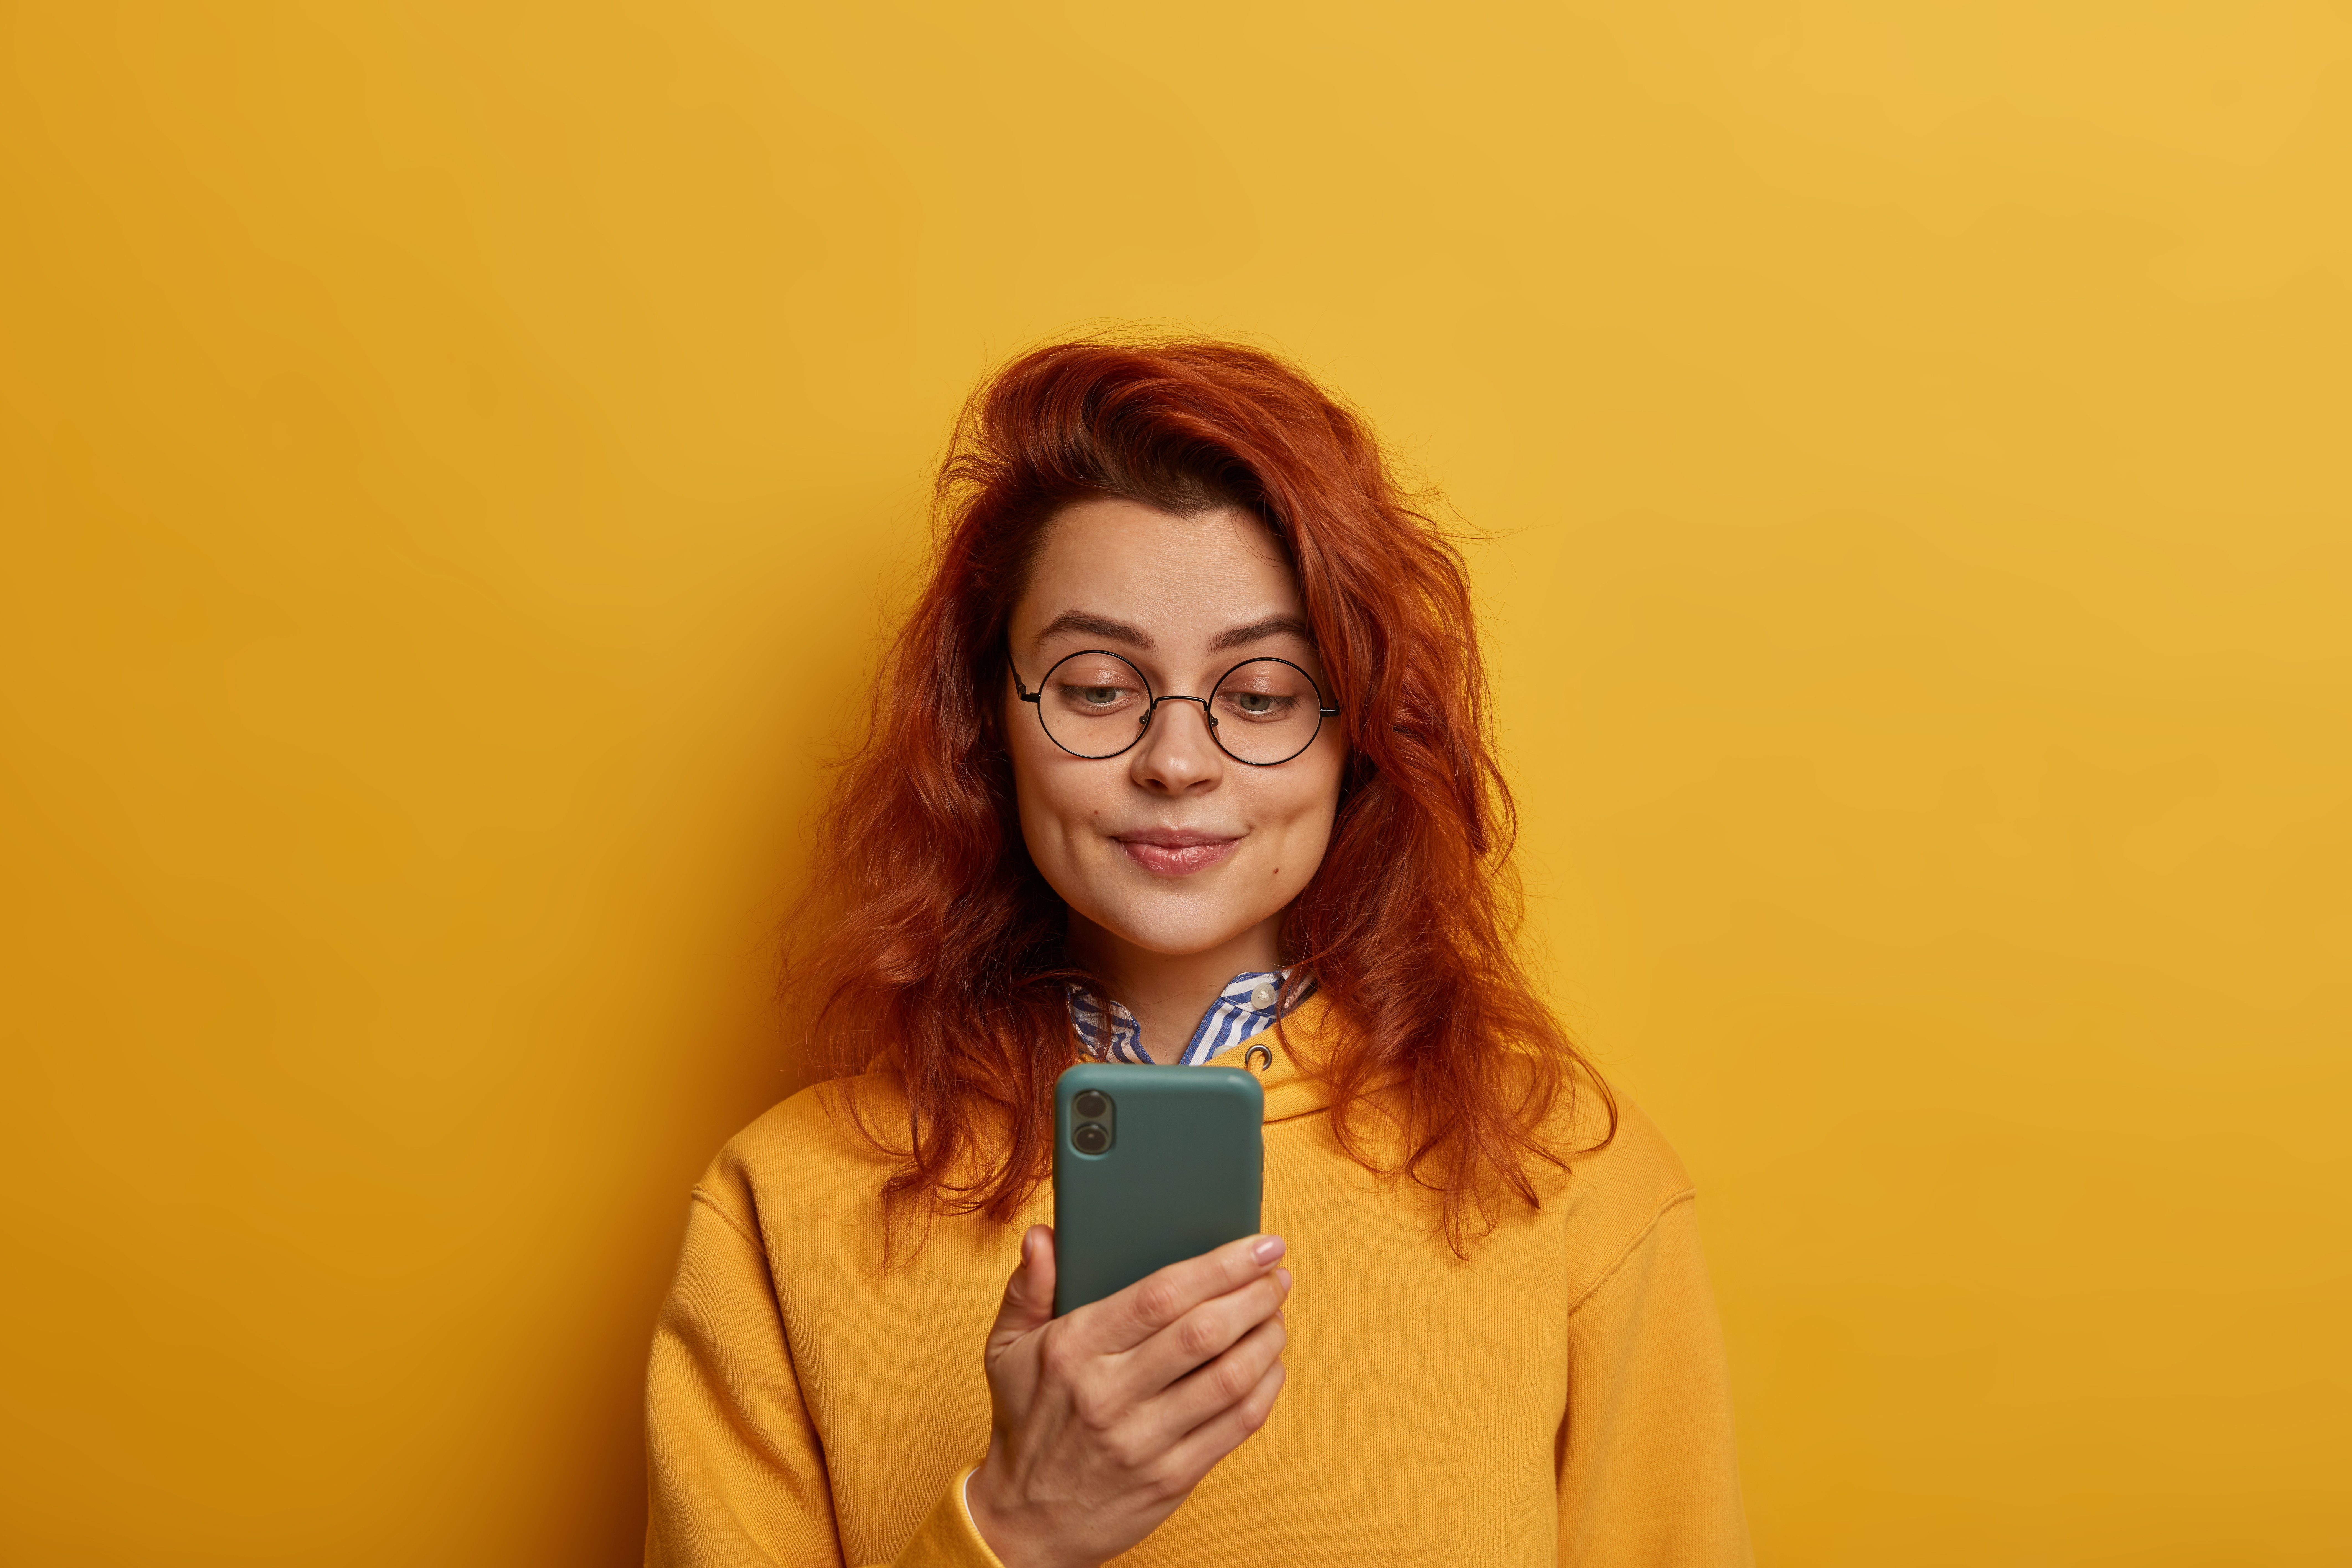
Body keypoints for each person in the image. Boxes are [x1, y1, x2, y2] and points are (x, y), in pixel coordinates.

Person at [644, 339, 1751, 1567]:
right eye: (1099, 685)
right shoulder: (782, 1205)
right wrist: (1018, 1529)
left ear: (1363, 736)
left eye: (1264, 693)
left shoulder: (1571, 1181)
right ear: (986, 722)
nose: (1178, 762)